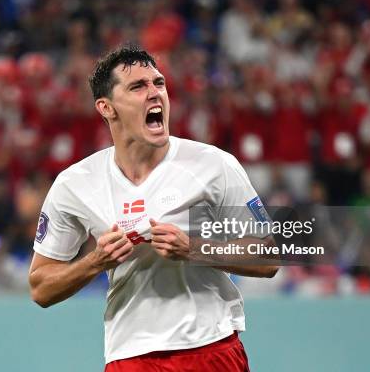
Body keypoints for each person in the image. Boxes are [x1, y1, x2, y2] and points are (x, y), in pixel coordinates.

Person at [28, 46, 279, 371]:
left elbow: (269, 257)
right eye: (138, 87)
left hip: (210, 348)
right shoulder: (75, 184)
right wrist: (95, 262)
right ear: (107, 107)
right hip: (130, 357)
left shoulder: (213, 165)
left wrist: (194, 248)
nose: (155, 93)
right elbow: (41, 287)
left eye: (158, 83)